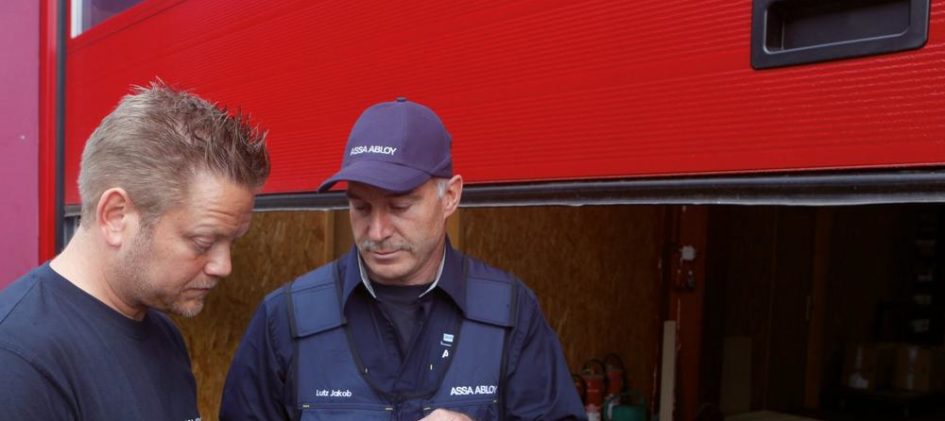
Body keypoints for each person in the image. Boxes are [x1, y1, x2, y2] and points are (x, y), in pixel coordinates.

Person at [220, 98, 585, 420]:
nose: (377, 231)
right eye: (361, 207)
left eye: (399, 207)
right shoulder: (285, 320)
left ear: (450, 197)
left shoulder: (510, 314)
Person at [0, 82, 271, 419]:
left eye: (233, 241)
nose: (223, 266)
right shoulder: (18, 361)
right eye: (203, 242)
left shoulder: (164, 334)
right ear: (116, 216)